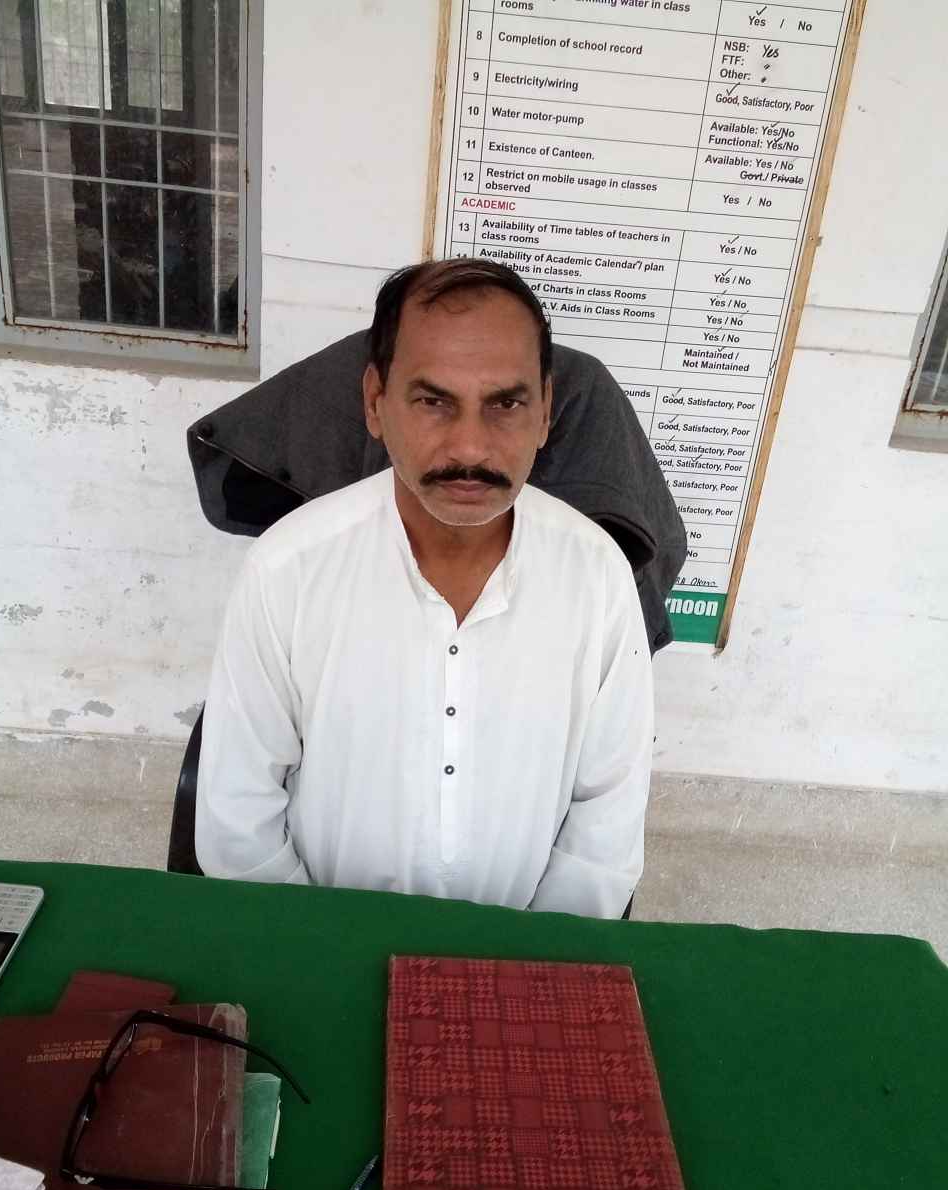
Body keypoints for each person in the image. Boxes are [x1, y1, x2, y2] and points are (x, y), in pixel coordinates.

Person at [195, 258, 653, 918]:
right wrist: (315, 950)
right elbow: (239, 818)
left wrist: (535, 958)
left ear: (546, 412)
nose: (470, 447)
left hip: (528, 957)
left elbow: (606, 823)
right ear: (375, 403)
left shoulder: (597, 575)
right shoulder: (288, 568)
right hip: (320, 944)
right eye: (434, 401)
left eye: (506, 404)